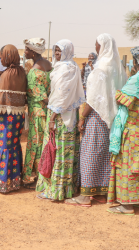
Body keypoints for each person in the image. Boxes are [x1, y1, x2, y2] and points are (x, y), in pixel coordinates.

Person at [66, 33, 127, 207]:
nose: (95, 47)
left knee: (89, 154)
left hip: (96, 117)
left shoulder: (100, 69)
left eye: (97, 44)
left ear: (103, 46)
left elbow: (93, 100)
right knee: (104, 154)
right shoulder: (116, 68)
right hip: (112, 119)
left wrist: (83, 117)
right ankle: (101, 192)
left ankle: (85, 196)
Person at [36, 40, 85, 200]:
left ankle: (55, 191)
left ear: (67, 51)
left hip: (60, 118)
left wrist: (52, 118)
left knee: (57, 152)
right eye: (56, 50)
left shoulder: (67, 68)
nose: (57, 53)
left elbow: (62, 97)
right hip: (67, 115)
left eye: (60, 50)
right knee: (62, 152)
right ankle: (66, 189)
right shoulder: (67, 67)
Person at [107, 46, 139, 215]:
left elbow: (122, 100)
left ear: (135, 61)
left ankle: (127, 205)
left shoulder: (136, 79)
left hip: (132, 130)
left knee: (127, 166)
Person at [0, 44, 27, 193]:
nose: (0, 58)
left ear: (8, 56)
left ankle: (3, 182)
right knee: (13, 146)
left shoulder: (7, 74)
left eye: (2, 56)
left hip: (6, 118)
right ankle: (14, 180)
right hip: (18, 116)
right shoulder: (20, 71)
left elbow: (0, 98)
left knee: (3, 146)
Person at [22, 37, 52, 188]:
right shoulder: (48, 64)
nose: (25, 52)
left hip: (38, 112)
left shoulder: (34, 71)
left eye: (27, 49)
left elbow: (42, 96)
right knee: (43, 143)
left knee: (36, 144)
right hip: (46, 112)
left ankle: (34, 177)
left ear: (33, 52)